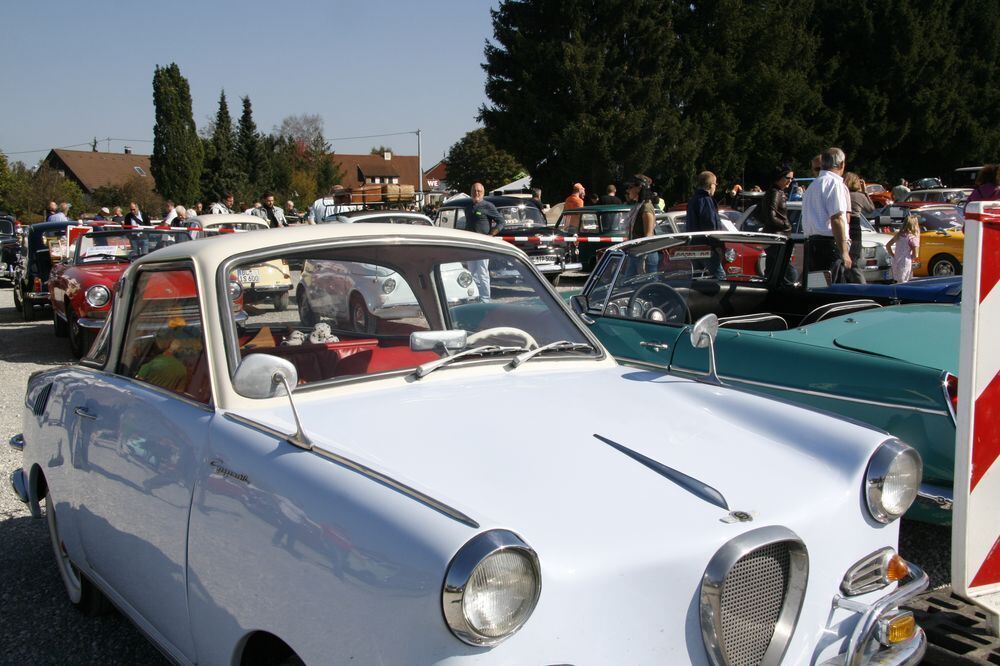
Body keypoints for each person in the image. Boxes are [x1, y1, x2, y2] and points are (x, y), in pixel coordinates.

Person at [802, 147, 852, 283]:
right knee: (834, 290)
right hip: (829, 246)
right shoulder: (835, 184)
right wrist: (844, 252)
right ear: (842, 164)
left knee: (818, 287)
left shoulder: (812, 186)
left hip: (812, 244)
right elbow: (837, 219)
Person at [463, 182, 504, 301]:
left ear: (483, 193)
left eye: (479, 191)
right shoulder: (468, 207)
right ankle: (475, 297)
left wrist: (491, 234)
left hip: (482, 244)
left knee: (482, 272)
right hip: (470, 244)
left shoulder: (488, 206)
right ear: (471, 192)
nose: (476, 193)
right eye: (474, 191)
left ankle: (486, 298)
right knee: (472, 272)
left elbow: (501, 222)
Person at [760, 166, 795, 281]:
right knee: (789, 273)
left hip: (777, 237)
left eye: (792, 178)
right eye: (788, 178)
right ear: (779, 177)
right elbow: (771, 217)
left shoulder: (777, 192)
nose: (790, 181)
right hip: (777, 237)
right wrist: (786, 225)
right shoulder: (775, 192)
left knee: (772, 269)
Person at [844, 172, 873, 284]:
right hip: (855, 226)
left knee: (843, 260)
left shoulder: (842, 194)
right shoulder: (859, 196)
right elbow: (871, 209)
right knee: (854, 260)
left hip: (843, 225)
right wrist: (865, 192)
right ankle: (861, 286)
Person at [886, 214, 920, 283]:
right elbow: (916, 255)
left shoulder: (899, 235)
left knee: (898, 281)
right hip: (905, 262)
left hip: (896, 261)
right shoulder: (912, 238)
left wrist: (893, 255)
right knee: (905, 282)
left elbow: (888, 245)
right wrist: (911, 257)